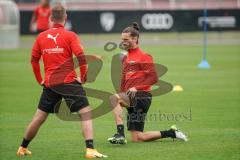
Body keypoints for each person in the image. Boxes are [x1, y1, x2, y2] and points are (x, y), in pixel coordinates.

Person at [16, 4, 107, 158]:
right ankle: (90, 149)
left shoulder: (41, 37)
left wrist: (40, 80)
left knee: (39, 117)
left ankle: (22, 148)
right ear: (65, 18)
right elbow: (80, 57)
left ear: (51, 19)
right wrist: (83, 78)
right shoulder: (70, 36)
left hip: (50, 83)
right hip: (69, 81)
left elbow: (34, 61)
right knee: (85, 113)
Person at [108, 22, 188, 144]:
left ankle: (120, 134)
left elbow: (153, 78)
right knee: (138, 138)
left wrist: (136, 87)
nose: (123, 42)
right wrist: (121, 93)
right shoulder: (125, 58)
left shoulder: (144, 56)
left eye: (126, 39)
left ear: (135, 39)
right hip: (130, 96)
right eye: (121, 39)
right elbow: (124, 79)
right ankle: (172, 133)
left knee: (113, 99)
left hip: (142, 96)